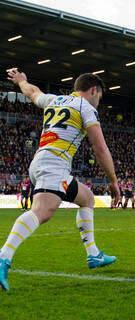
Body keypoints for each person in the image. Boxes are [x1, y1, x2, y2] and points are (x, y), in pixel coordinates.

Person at [0, 69, 120, 291]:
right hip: (53, 163)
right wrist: (113, 180)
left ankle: (93, 254)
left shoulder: (55, 100)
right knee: (41, 212)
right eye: (99, 97)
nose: (98, 103)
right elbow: (100, 147)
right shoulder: (86, 108)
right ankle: (3, 256)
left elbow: (32, 93)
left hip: (44, 162)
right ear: (93, 90)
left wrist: (21, 81)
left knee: (87, 198)